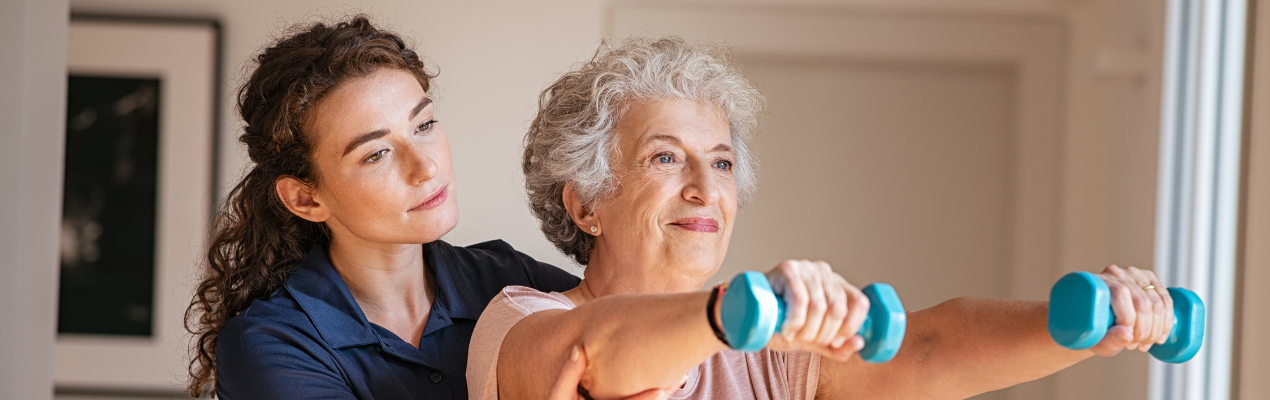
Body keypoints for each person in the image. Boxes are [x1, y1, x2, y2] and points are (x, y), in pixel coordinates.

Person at [466, 36, 1177, 400]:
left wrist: (1087, 326)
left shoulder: (762, 355)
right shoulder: (519, 321)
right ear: (584, 202)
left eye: (719, 163)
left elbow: (929, 348)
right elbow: (593, 353)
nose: (703, 189)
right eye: (664, 158)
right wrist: (738, 313)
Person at [182, 16, 666, 400]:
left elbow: (628, 329)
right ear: (306, 198)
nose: (425, 167)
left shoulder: (512, 281)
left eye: (425, 125)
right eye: (376, 154)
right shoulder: (271, 344)